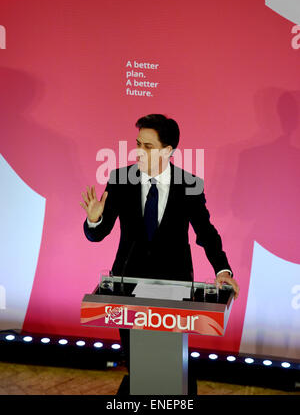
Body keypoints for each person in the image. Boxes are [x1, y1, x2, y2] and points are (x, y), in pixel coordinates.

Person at [80, 114, 239, 395]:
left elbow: (206, 232)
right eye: (137, 143)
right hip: (127, 286)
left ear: (168, 150)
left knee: (170, 364)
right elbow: (98, 234)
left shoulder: (190, 184)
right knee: (137, 364)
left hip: (174, 286)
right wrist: (94, 220)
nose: (139, 151)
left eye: (148, 146)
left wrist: (223, 271)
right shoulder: (119, 179)